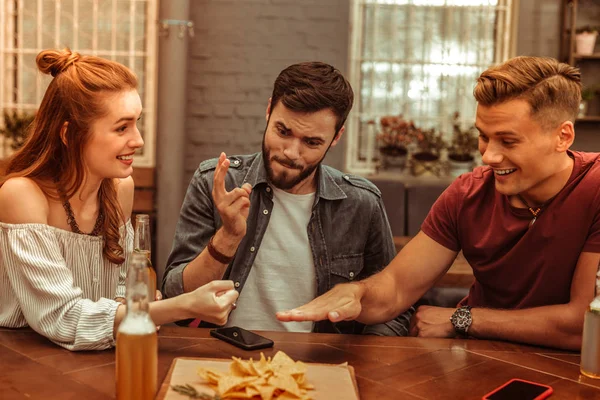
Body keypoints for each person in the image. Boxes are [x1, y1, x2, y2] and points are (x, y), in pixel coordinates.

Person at [277, 56, 599, 351]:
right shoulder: (467, 194)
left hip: (572, 370)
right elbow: (396, 287)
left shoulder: (594, 189)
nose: (488, 156)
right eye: (484, 136)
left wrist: (464, 319)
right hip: (481, 361)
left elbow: (583, 325)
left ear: (563, 136)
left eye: (508, 141)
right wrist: (357, 294)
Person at [0, 49, 238, 351]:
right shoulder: (22, 195)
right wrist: (183, 306)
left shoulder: (119, 189)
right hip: (24, 365)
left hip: (102, 359)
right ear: (70, 134)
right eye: (122, 127)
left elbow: (123, 289)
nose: (138, 140)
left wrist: (139, 301)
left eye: (136, 123)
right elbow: (61, 316)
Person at [162, 61, 412, 335]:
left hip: (322, 367)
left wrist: (361, 368)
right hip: (225, 360)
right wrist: (228, 237)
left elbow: (393, 311)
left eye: (312, 142)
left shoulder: (361, 203)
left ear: (336, 137)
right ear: (269, 111)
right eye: (283, 132)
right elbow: (176, 299)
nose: (292, 152)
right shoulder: (216, 182)